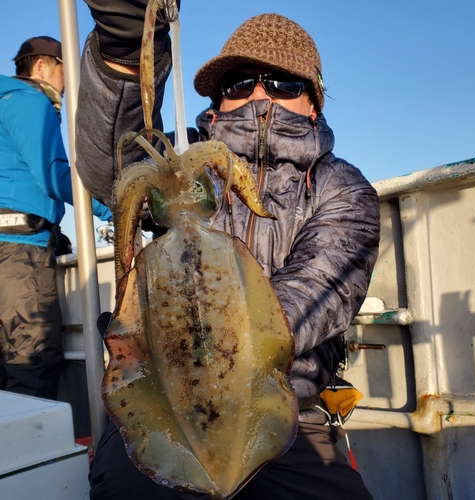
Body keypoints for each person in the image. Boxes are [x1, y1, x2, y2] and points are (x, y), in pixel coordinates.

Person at [75, 3, 380, 499]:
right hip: (165, 401)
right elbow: (113, 166)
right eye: (240, 83)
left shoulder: (340, 187)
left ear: (314, 103)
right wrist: (125, 52)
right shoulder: (185, 170)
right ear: (216, 105)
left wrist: (225, 358)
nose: (260, 95)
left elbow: (323, 286)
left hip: (286, 408)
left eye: (282, 83)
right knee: (122, 488)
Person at [0, 36, 112, 400]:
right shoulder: (30, 101)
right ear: (43, 67)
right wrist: (116, 209)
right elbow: (56, 176)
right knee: (30, 366)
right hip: (19, 256)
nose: (68, 83)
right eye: (66, 71)